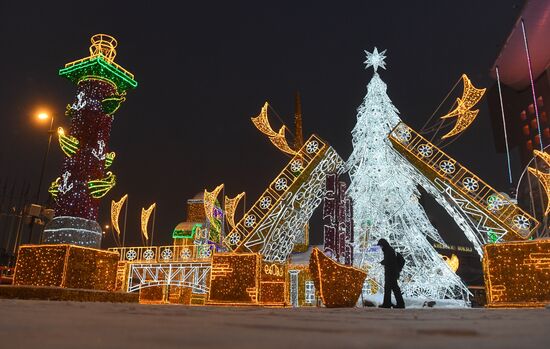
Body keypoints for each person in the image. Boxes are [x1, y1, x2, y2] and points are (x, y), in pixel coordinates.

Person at [377, 238, 405, 309]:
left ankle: (397, 304)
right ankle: (389, 303)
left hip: (391, 274)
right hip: (392, 273)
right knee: (390, 289)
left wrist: (383, 262)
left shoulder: (389, 250)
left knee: (393, 289)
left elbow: (389, 262)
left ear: (383, 244)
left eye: (381, 245)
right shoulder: (388, 250)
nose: (380, 247)